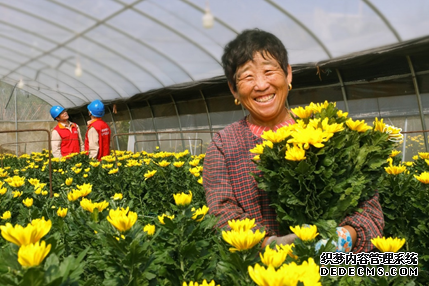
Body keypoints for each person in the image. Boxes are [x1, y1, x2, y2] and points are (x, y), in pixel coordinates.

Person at [203, 29, 384, 252]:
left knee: (400, 265)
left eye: (269, 71)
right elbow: (222, 213)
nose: (261, 85)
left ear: (288, 74)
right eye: (248, 77)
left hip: (338, 269)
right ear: (233, 89)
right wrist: (271, 245)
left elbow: (369, 207)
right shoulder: (223, 145)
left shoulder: (328, 131)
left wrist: (343, 238)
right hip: (265, 274)